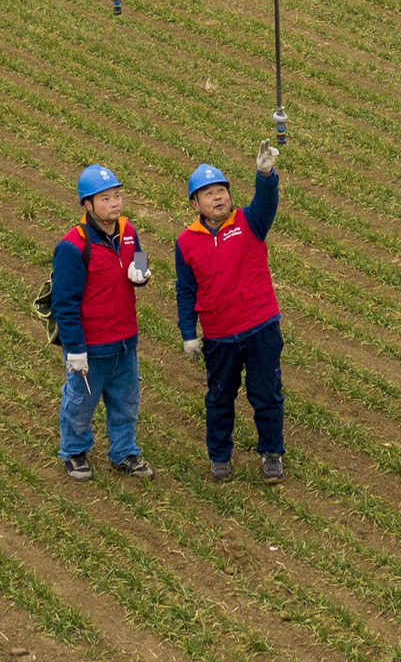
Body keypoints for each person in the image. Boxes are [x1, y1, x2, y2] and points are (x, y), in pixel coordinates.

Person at [173, 141, 288, 483]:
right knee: (219, 398)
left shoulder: (250, 221)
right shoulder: (186, 242)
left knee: (266, 394)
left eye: (222, 190)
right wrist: (188, 333)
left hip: (261, 326)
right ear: (195, 204)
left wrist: (265, 174)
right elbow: (185, 289)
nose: (218, 197)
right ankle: (219, 457)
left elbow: (267, 201)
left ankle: (272, 454)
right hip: (219, 335)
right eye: (208, 193)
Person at [50, 164, 153, 480]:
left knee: (126, 403)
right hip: (91, 346)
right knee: (80, 403)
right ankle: (74, 452)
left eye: (117, 196)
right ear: (88, 205)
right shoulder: (73, 246)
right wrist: (74, 349)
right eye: (106, 199)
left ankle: (124, 453)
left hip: (125, 340)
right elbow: (64, 303)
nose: (115, 203)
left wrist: (141, 272)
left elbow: (138, 255)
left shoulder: (128, 229)